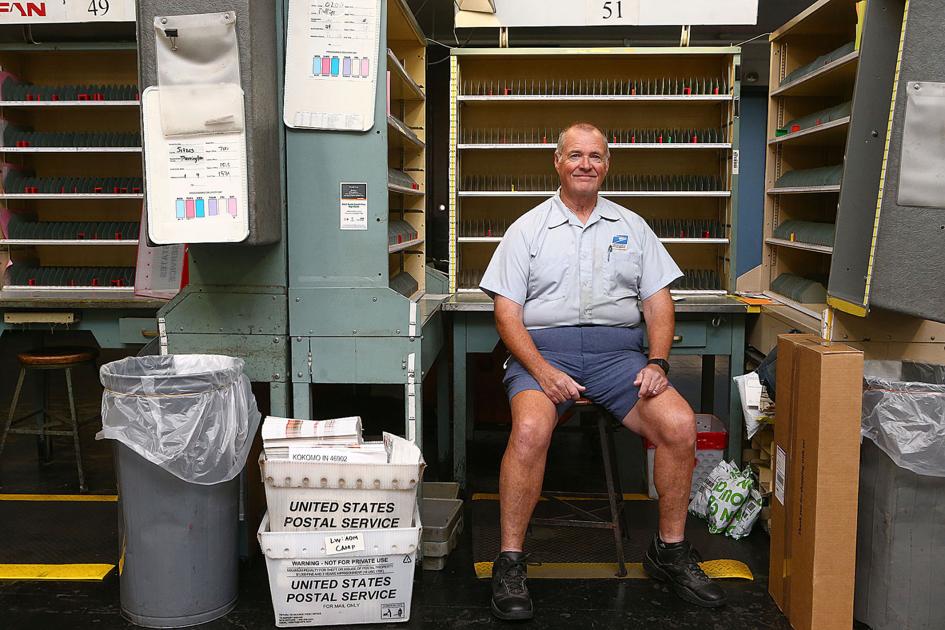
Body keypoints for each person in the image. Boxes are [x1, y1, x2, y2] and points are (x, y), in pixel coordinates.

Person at [479, 122, 727, 621]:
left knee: (679, 425)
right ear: (558, 162)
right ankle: (510, 561)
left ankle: (669, 552)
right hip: (544, 352)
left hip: (619, 358)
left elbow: (658, 301)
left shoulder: (632, 227)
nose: (585, 164)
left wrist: (657, 361)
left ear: (607, 164)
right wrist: (543, 371)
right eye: (575, 155)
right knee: (529, 429)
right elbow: (506, 313)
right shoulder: (527, 229)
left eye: (595, 156)